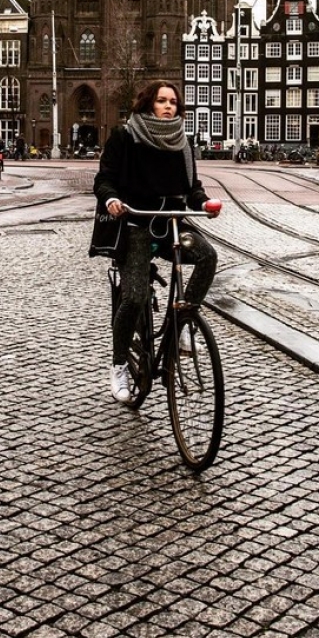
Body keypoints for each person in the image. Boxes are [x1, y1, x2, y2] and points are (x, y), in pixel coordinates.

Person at [93, 80, 221, 404]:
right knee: (133, 298)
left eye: (173, 102)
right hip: (135, 223)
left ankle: (182, 323)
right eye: (162, 101)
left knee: (207, 256)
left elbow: (192, 188)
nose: (168, 106)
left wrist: (203, 203)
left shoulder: (182, 143)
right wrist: (111, 199)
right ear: (149, 104)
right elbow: (104, 178)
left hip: (171, 225)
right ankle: (119, 365)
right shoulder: (126, 136)